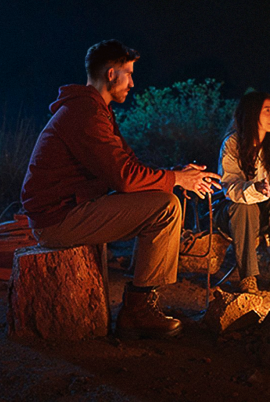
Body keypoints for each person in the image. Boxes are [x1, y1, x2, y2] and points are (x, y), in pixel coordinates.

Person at [21, 40, 221, 340]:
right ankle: (137, 309)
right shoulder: (85, 114)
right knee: (165, 207)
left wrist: (178, 173)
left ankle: (139, 304)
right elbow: (126, 179)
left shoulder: (95, 110)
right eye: (128, 73)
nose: (133, 82)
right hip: (58, 220)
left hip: (71, 209)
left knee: (163, 197)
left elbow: (129, 166)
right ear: (111, 74)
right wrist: (176, 179)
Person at [218, 91, 270, 295]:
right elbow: (230, 185)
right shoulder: (232, 144)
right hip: (235, 210)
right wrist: (255, 189)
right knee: (243, 208)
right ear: (252, 114)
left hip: (269, 208)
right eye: (267, 111)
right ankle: (248, 278)